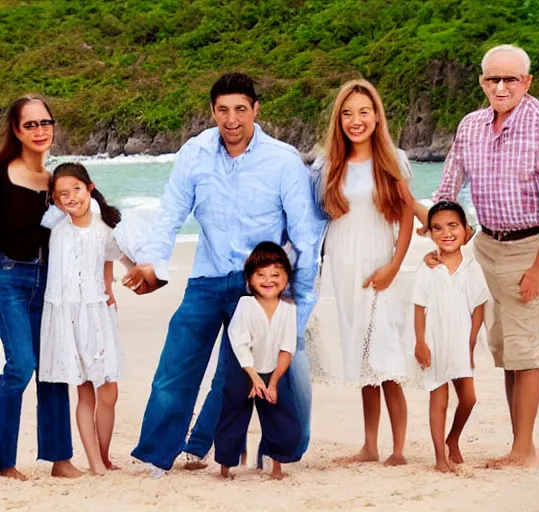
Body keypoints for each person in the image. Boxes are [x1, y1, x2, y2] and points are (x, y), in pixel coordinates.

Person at [122, 72, 325, 476]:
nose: (231, 119)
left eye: (240, 109)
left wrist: (297, 307)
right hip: (207, 277)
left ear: (255, 110)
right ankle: (157, 458)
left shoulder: (282, 160)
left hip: (260, 287)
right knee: (175, 369)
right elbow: (170, 215)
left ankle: (275, 451)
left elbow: (306, 236)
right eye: (222, 110)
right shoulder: (194, 153)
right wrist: (153, 263)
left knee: (257, 374)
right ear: (212, 111)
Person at [424, 45, 539, 467]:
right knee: (506, 350)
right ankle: (517, 441)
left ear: (526, 81)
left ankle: (524, 449)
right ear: (482, 81)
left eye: (510, 79)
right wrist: (440, 246)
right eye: (493, 79)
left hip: (530, 247)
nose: (501, 86)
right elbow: (447, 190)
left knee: (525, 352)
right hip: (484, 248)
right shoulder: (471, 125)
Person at [310, 79, 415, 466]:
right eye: (348, 113)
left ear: (376, 116)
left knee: (385, 356)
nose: (356, 120)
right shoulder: (327, 165)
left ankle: (399, 449)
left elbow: (406, 216)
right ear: (339, 119)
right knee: (363, 357)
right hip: (342, 265)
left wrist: (393, 266)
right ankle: (370, 446)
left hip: (378, 264)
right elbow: (313, 218)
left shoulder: (393, 160)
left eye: (364, 112)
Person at [0, 95, 82, 480]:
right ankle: (3, 461)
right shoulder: (2, 175)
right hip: (9, 280)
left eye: (44, 123)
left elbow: (96, 219)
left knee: (52, 368)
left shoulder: (56, 183)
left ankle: (59, 458)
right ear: (16, 130)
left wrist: (136, 266)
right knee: (20, 366)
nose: (39, 131)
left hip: (49, 283)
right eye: (30, 124)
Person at [39, 163, 125, 476]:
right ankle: (96, 464)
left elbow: (109, 257)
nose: (71, 197)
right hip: (68, 315)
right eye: (63, 194)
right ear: (55, 200)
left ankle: (104, 456)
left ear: (89, 188)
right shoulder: (55, 224)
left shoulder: (105, 227)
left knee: (110, 391)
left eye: (77, 188)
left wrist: (109, 284)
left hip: (98, 313)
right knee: (85, 391)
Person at [214, 242, 301, 480]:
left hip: (274, 370)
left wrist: (272, 383)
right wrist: (253, 378)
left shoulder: (289, 309)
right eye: (260, 275)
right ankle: (226, 466)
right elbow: (239, 342)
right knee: (233, 415)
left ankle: (276, 467)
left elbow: (287, 349)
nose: (268, 280)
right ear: (250, 279)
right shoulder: (245, 305)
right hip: (244, 369)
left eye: (275, 274)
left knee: (282, 418)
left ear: (286, 278)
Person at [412, 201, 489, 472]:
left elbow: (479, 306)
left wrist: (470, 343)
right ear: (430, 233)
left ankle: (453, 438)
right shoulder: (428, 267)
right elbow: (419, 307)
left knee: (468, 398)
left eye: (453, 226)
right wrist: (420, 342)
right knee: (439, 399)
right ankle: (439, 457)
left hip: (460, 340)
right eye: (438, 228)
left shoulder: (472, 267)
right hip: (434, 339)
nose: (446, 233)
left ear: (466, 231)